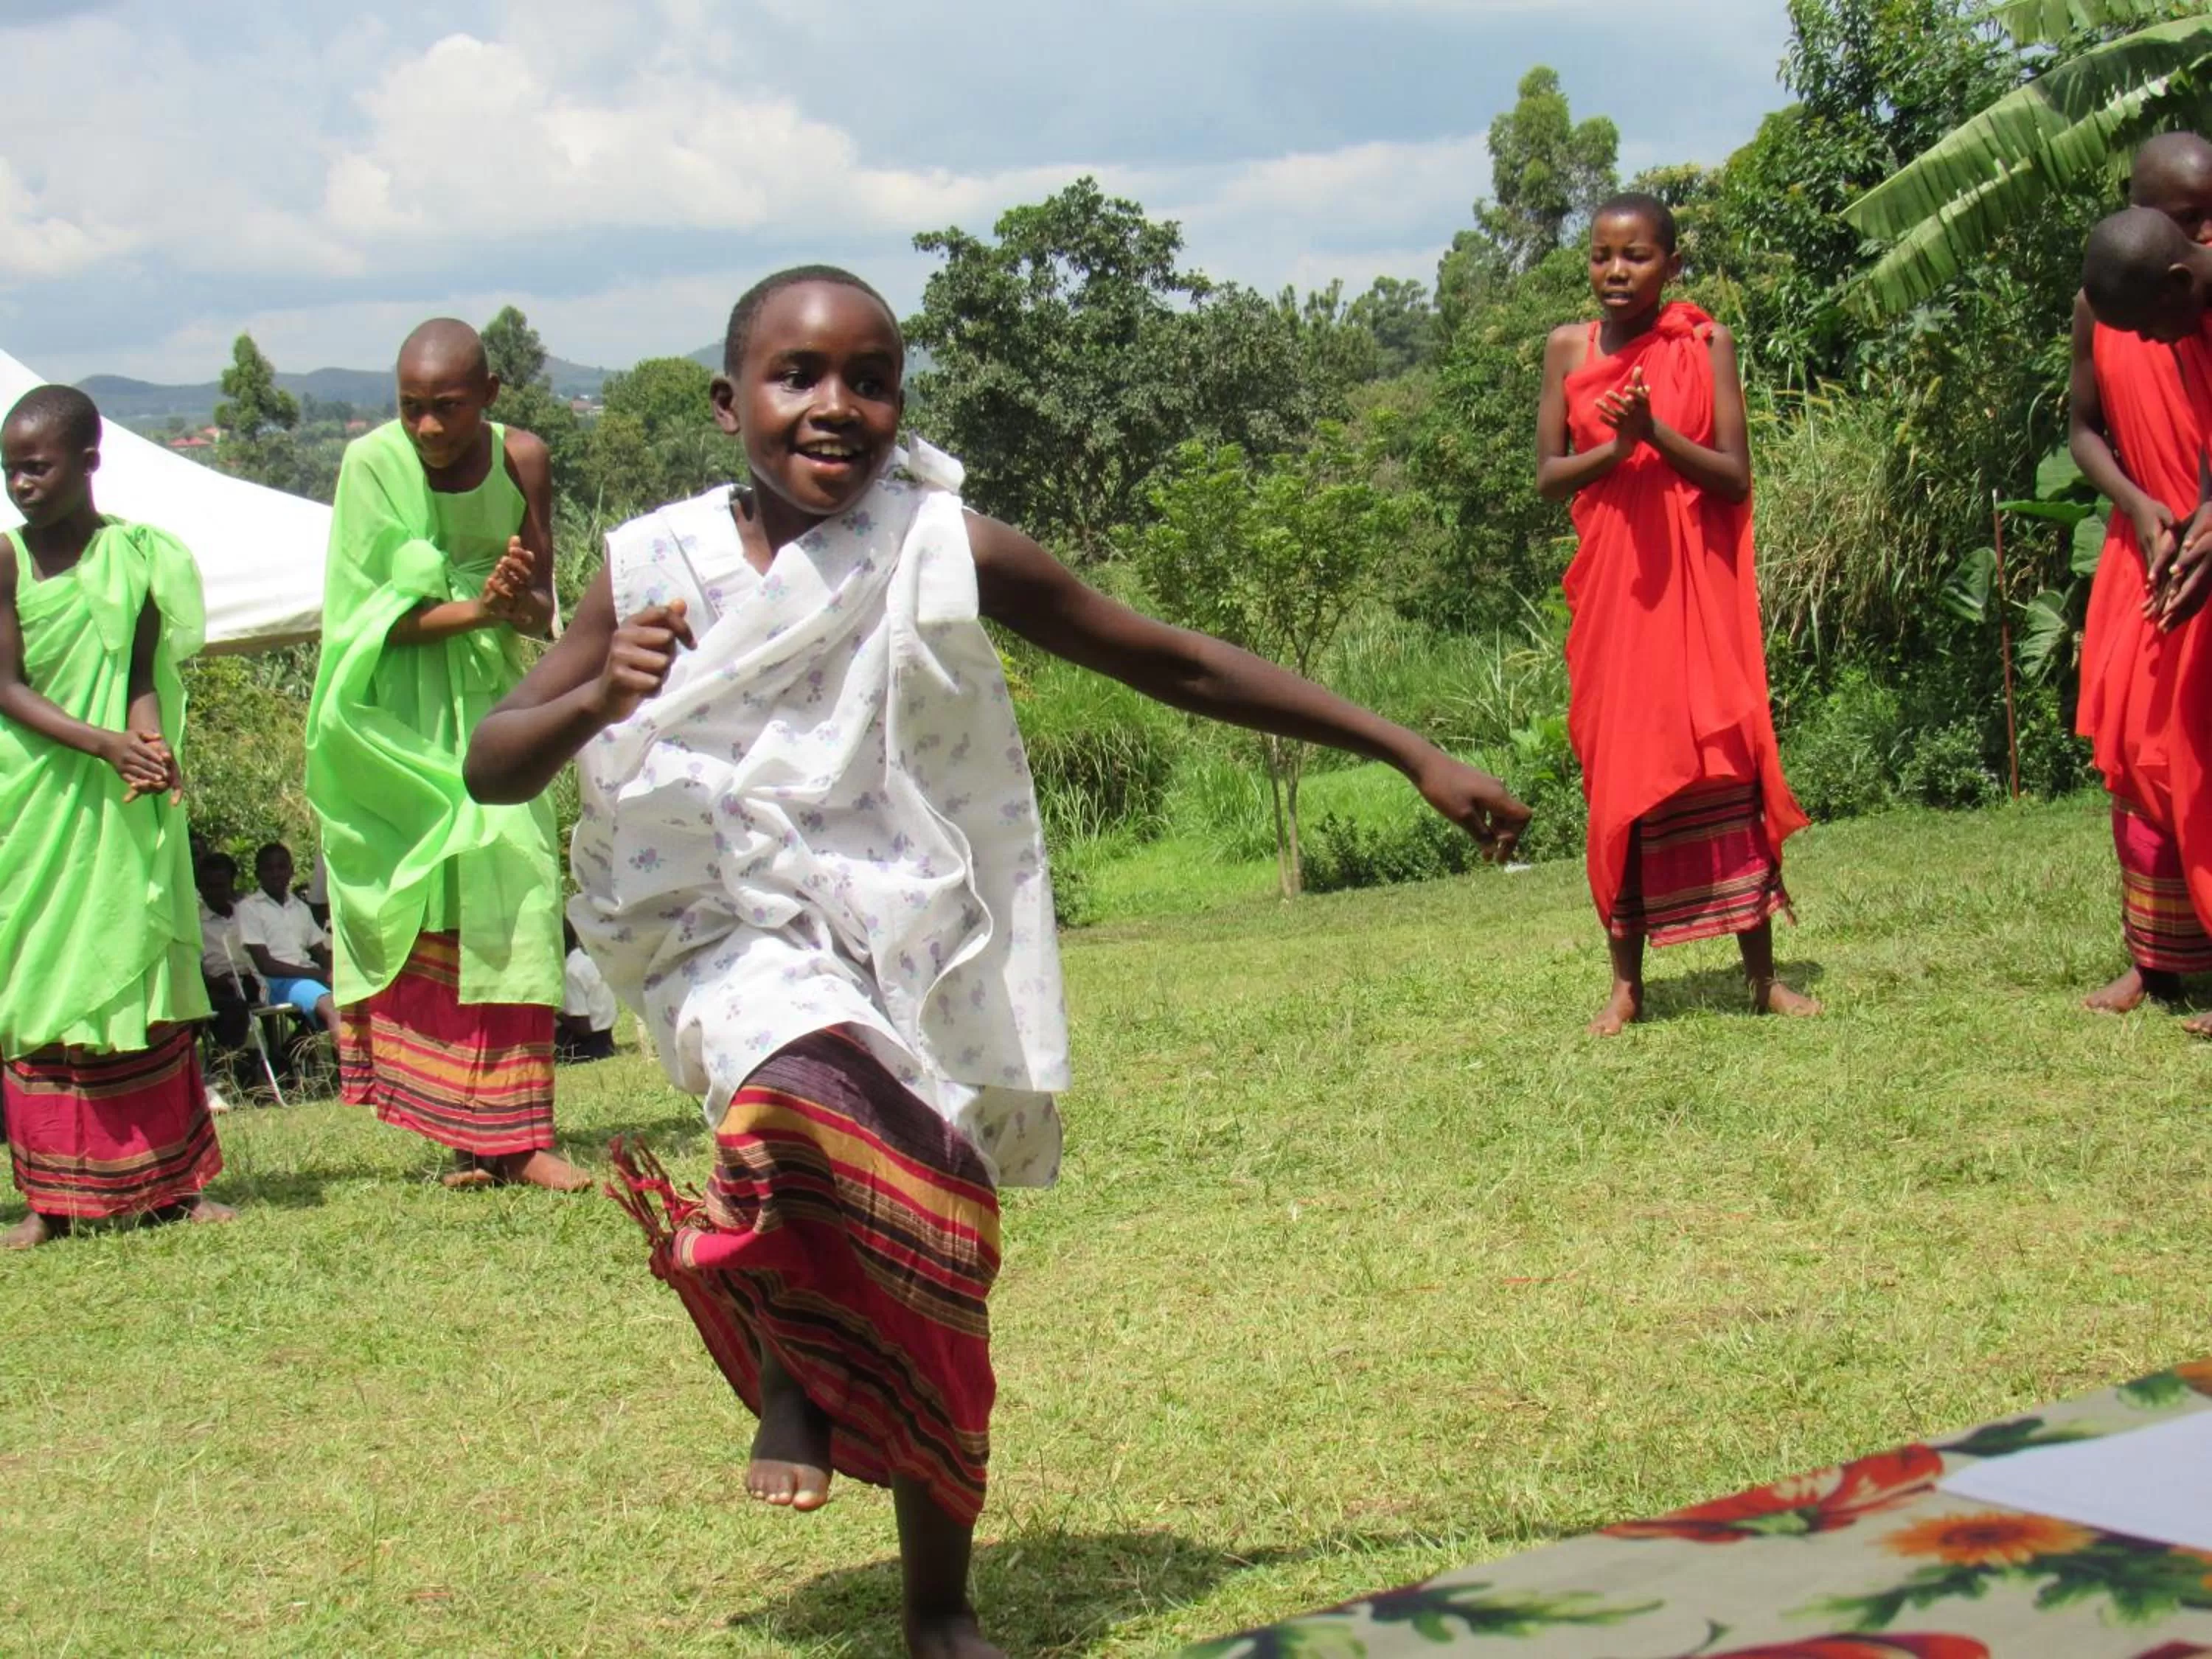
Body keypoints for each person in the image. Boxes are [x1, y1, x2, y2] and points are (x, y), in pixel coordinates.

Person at [462, 266, 1531, 1659]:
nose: (837, 405)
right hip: (714, 923)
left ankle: (939, 1603)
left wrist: (1409, 749)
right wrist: (600, 691)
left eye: (873, 375)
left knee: (937, 1244)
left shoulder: (938, 540)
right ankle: (784, 1347)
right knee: (805, 1090)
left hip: (911, 926)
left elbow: (1167, 660)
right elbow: (496, 762)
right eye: (798, 377)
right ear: (730, 405)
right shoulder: (651, 560)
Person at [305, 319, 587, 1192]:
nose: (428, 428)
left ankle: (520, 1132)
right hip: (394, 718)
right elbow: (358, 617)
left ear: (491, 396)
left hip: (496, 709)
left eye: (448, 408)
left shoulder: (523, 459)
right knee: (426, 900)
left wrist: (517, 602)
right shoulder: (369, 466)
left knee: (517, 887)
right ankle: (467, 1137)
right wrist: (478, 608)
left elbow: (542, 599)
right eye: (412, 408)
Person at [1535, 193, 1818, 1036]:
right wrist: (1615, 452)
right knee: (1620, 771)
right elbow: (1550, 477)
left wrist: (1656, 434)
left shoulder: (1704, 345)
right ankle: (1627, 986)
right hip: (1616, 595)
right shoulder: (1567, 348)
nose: (1615, 272)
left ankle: (1761, 974)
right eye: (1600, 256)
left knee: (1719, 760)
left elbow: (1733, 475)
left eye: (1636, 256)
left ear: (1673, 265)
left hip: (1694, 592)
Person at [0, 384, 232, 1246]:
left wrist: (147, 745)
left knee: (139, 964)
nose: (21, 483)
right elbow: (6, 687)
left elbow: (142, 676)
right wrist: (103, 745)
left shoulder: (135, 556)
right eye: (10, 469)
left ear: (88, 462)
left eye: (36, 465)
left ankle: (174, 1185)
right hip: (35, 797)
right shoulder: (5, 561)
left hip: (117, 799)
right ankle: (51, 1203)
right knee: (42, 980)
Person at [2072, 135, 2212, 1023]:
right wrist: (2140, 504)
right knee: (2134, 753)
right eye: (2192, 218)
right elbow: (2086, 428)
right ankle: (2157, 959)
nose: (2207, 234)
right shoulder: (2112, 300)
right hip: (2150, 548)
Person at [236, 841, 339, 1041]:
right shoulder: (249, 908)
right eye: (268, 868)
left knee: (353, 1004)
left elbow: (319, 950)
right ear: (258, 874)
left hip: (308, 978)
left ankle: (290, 1056)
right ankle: (351, 1072)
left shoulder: (300, 907)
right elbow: (266, 966)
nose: (276, 874)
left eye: (282, 867)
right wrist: (321, 974)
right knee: (332, 1009)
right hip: (275, 984)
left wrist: (335, 976)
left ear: (292, 871)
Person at [197, 850, 260, 1050]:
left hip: (253, 981)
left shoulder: (247, 913)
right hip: (217, 986)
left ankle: (284, 1054)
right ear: (200, 887)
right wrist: (213, 983)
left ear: (232, 884)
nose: (215, 892)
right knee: (233, 1008)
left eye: (221, 886)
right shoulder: (194, 922)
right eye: (209, 887)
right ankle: (235, 1062)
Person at [557, 920, 618, 1062]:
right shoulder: (587, 960)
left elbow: (583, 1028)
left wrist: (554, 1011)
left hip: (588, 1047)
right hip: (606, 1040)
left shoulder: (570, 972)